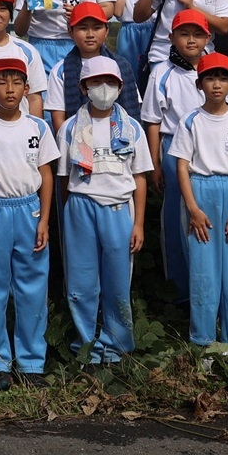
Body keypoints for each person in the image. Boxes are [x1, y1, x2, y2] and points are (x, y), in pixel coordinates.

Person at [0, 57, 58, 389]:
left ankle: (32, 362)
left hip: (29, 211)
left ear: (26, 88)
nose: (10, 89)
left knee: (33, 287)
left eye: (16, 82)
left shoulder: (38, 127)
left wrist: (45, 219)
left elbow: (46, 174)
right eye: (2, 83)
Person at [57, 56, 152, 364]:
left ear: (120, 86)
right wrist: (68, 211)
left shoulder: (132, 128)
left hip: (118, 209)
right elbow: (63, 180)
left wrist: (138, 224)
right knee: (82, 283)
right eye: (96, 83)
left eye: (110, 82)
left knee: (117, 282)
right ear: (84, 87)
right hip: (81, 207)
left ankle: (117, 346)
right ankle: (87, 346)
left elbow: (139, 177)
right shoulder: (71, 128)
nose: (104, 89)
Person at [142, 12, 228, 307]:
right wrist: (155, 164)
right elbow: (153, 122)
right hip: (173, 149)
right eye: (184, 34)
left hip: (215, 148)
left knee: (213, 216)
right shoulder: (162, 72)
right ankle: (181, 292)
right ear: (171, 38)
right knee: (176, 219)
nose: (191, 40)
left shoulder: (219, 69)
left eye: (197, 34)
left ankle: (216, 292)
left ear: (209, 38)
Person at [170, 53, 228, 353]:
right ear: (200, 84)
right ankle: (204, 342)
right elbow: (182, 167)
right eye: (209, 78)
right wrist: (193, 209)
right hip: (200, 192)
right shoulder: (190, 120)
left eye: (222, 78)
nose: (216, 85)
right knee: (203, 272)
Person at [43, 1, 116, 132]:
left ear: (106, 31)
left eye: (97, 27)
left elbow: (130, 108)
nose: (90, 34)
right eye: (82, 28)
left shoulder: (118, 66)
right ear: (70, 31)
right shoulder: (60, 70)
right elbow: (58, 117)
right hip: (76, 144)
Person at [111, 0, 158, 112]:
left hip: (153, 31)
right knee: (130, 82)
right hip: (128, 33)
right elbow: (117, 11)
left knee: (152, 84)